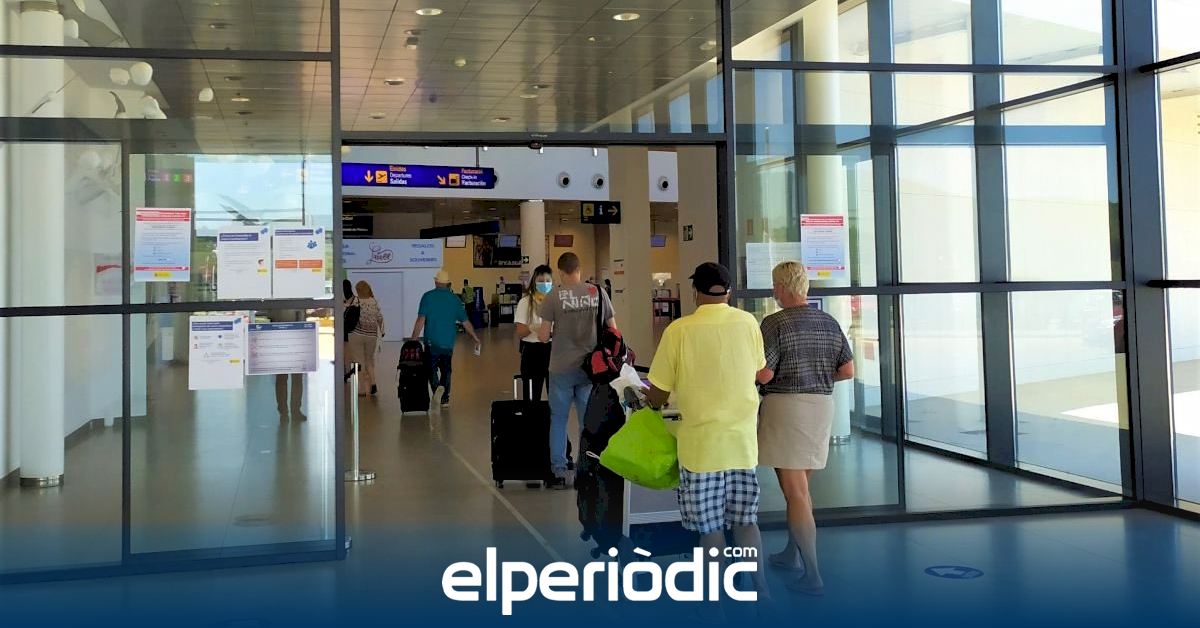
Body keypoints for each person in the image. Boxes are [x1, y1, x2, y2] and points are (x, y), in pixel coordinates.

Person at [644, 262, 771, 602]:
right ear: (728, 292)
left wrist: (649, 400)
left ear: (695, 292)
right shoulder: (748, 323)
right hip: (742, 444)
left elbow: (658, 392)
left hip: (701, 449)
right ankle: (761, 592)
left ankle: (716, 601)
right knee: (746, 522)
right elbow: (759, 371)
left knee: (710, 529)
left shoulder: (679, 330)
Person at [757, 261, 854, 597]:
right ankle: (791, 552)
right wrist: (818, 377)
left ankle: (812, 573)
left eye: (775, 285)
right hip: (821, 407)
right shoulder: (828, 321)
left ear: (782, 287)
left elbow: (765, 374)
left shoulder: (774, 322)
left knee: (795, 491)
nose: (774, 291)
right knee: (800, 489)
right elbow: (847, 370)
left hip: (787, 408)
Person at [539, 252, 616, 489]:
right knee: (587, 421)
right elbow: (614, 330)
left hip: (561, 368)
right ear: (579, 269)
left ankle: (559, 470)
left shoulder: (553, 296)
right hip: (590, 369)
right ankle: (587, 468)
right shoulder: (598, 292)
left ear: (561, 272)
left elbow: (543, 337)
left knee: (558, 419)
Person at [413, 270, 481, 407]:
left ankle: (437, 388)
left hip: (431, 341)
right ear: (448, 283)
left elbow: (421, 320)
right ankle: (445, 399)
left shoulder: (427, 296)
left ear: (435, 282)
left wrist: (413, 339)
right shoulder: (454, 299)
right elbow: (465, 321)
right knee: (446, 369)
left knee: (431, 369)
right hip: (448, 341)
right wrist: (475, 337)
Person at [514, 265, 554, 401]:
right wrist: (533, 327)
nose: (545, 284)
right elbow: (520, 333)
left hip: (552, 351)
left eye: (548, 281)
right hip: (532, 352)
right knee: (531, 396)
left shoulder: (555, 302)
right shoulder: (525, 302)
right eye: (541, 281)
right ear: (534, 282)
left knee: (555, 396)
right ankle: (531, 414)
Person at [348, 281, 384, 397]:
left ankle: (362, 389)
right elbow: (380, 318)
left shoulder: (355, 301)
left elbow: (348, 314)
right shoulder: (374, 302)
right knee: (369, 360)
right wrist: (382, 331)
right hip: (371, 335)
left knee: (359, 362)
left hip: (356, 334)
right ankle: (373, 383)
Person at [274, 309, 307, 420]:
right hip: (282, 338)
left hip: (294, 338)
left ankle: (292, 410)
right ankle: (287, 410)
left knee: (293, 378)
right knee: (284, 378)